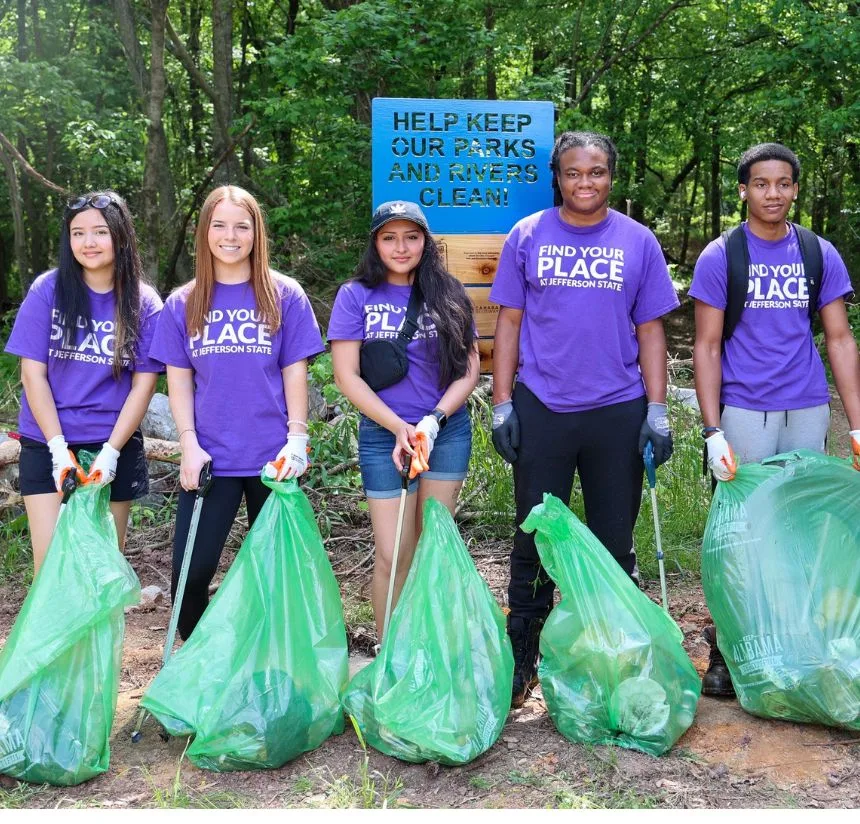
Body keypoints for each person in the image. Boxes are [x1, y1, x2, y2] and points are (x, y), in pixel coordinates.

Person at [490, 131, 680, 707]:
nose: (585, 182)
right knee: (534, 535)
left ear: (611, 176)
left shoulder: (637, 241)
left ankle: (611, 657)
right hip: (542, 406)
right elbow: (509, 324)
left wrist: (658, 409)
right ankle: (522, 655)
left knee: (614, 541)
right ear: (558, 177)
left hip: (617, 411)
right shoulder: (527, 236)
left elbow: (651, 331)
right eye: (574, 173)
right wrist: (502, 403)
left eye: (596, 172)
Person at [690, 142, 860, 697]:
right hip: (744, 410)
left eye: (783, 183)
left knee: (798, 528)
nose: (773, 194)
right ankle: (724, 652)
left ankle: (790, 644)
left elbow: (838, 337)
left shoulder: (816, 252)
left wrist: (856, 424)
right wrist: (712, 430)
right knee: (739, 532)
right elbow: (708, 346)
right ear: (743, 189)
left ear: (794, 188)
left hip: (806, 408)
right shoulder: (722, 255)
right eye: (761, 184)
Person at [149, 185, 324, 640]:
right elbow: (179, 380)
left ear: (256, 232)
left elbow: (293, 371)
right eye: (220, 225)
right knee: (191, 574)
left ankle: (272, 674)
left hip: (273, 461)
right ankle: (204, 670)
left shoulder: (285, 294)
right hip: (211, 460)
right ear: (204, 231)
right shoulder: (182, 303)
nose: (231, 236)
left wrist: (298, 439)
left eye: (242, 226)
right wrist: (188, 445)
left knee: (277, 578)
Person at [329, 200, 479, 642]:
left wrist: (434, 419)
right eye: (389, 237)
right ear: (375, 243)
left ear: (425, 243)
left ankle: (428, 646)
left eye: (411, 237)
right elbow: (346, 375)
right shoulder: (355, 295)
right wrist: (398, 426)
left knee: (433, 545)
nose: (401, 247)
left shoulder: (448, 292)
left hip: (444, 433)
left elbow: (469, 369)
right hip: (383, 435)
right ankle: (392, 651)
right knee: (394, 553)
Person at [4, 191, 163, 573]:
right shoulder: (48, 289)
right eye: (78, 233)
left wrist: (111, 452)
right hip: (47, 440)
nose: (88, 243)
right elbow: (32, 374)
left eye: (99, 232)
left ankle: (103, 638)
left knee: (102, 568)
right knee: (52, 569)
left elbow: (144, 386)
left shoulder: (144, 302)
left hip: (113, 442)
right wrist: (58, 449)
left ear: (121, 235)